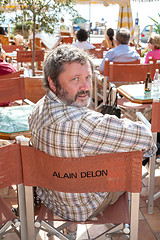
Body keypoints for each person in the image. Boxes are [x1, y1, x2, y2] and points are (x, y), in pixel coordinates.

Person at [28, 44, 157, 240]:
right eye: (75, 79)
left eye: (88, 77)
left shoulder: (37, 108)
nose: (86, 87)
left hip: (51, 194)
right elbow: (146, 139)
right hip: (84, 205)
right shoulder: (88, 125)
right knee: (132, 161)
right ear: (53, 83)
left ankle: (70, 232)